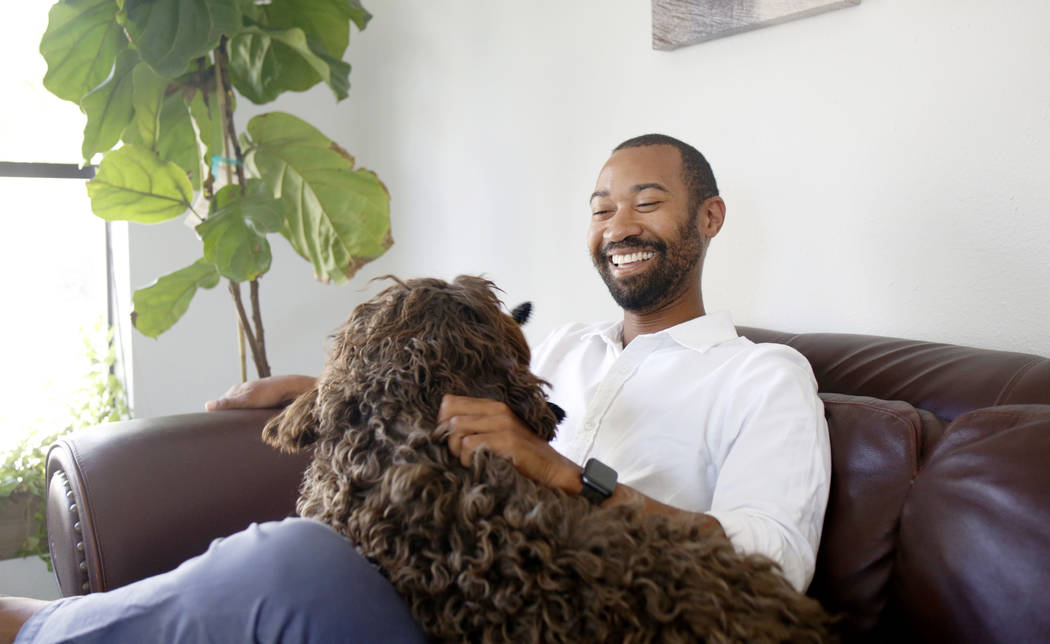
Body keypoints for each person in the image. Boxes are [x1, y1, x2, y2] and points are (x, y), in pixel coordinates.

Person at [1, 134, 830, 643]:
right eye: (601, 208)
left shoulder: (763, 376)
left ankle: (39, 629)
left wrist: (566, 474)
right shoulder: (564, 348)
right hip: (466, 598)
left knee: (292, 561)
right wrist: (329, 387)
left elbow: (775, 561)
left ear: (709, 219)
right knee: (288, 565)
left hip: (587, 623)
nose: (618, 227)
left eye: (646, 204)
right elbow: (430, 394)